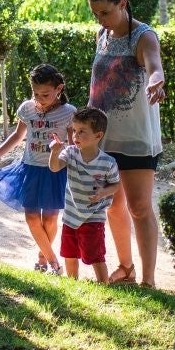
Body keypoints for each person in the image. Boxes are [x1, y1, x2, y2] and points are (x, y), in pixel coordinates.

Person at [87, 0, 165, 287]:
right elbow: (98, 88)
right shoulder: (102, 35)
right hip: (103, 138)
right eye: (95, 14)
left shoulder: (143, 37)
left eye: (104, 13)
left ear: (123, 3)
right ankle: (126, 268)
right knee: (113, 205)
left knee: (139, 207)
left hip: (136, 140)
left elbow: (154, 65)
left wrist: (156, 80)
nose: (100, 20)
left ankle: (148, 280)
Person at [0, 64, 76, 275]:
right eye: (36, 93)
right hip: (30, 169)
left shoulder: (68, 113)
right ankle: (53, 262)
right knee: (32, 217)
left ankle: (42, 257)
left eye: (45, 94)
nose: (40, 98)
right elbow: (18, 137)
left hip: (55, 171)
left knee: (50, 219)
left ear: (59, 89)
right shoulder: (27, 109)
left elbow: (73, 146)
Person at [48, 106, 121, 283]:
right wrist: (55, 152)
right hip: (71, 215)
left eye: (82, 131)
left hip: (94, 215)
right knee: (70, 253)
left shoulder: (107, 162)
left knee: (95, 254)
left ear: (98, 136)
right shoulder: (70, 153)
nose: (76, 136)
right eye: (74, 131)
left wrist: (104, 192)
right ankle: (72, 283)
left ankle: (103, 285)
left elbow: (116, 184)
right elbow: (55, 167)